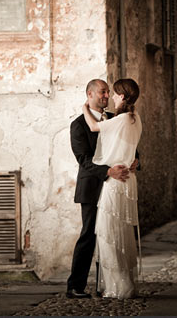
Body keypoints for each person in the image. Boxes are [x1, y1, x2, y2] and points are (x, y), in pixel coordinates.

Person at [66, 79, 139, 299]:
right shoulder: (78, 125)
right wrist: (108, 172)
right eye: (102, 92)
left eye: (108, 92)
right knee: (89, 235)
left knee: (112, 235)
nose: (107, 96)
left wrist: (136, 161)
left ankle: (104, 285)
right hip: (92, 187)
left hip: (115, 187)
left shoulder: (117, 119)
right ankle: (75, 286)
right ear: (90, 94)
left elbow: (131, 146)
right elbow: (83, 159)